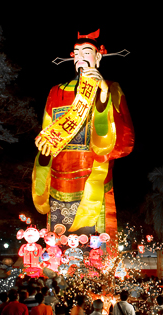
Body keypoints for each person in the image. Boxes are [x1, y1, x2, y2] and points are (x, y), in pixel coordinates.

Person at [32, 29, 135, 237]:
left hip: (92, 173)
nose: (80, 57)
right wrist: (43, 158)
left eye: (86, 51)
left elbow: (125, 136)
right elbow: (47, 131)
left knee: (95, 234)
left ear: (98, 57)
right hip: (59, 175)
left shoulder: (111, 88)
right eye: (76, 52)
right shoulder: (56, 91)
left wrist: (103, 95)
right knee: (58, 237)